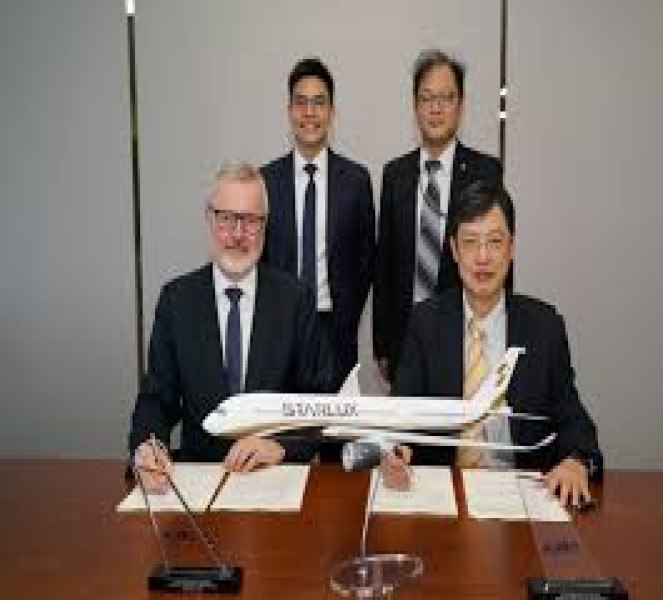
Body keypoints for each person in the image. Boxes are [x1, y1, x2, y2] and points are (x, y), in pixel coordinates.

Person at [384, 179, 603, 507]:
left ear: (511, 248)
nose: (483, 257)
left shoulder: (544, 326)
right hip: (445, 495)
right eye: (470, 243)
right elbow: (400, 417)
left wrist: (576, 460)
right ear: (454, 250)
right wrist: (395, 453)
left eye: (495, 242)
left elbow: (573, 419)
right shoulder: (425, 323)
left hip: (524, 495)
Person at [129, 162, 336, 492]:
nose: (238, 234)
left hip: (276, 481)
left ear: (265, 226)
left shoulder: (295, 300)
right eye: (226, 218)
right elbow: (156, 400)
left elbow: (322, 401)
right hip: (200, 481)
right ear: (208, 219)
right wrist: (148, 446)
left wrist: (281, 446)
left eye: (251, 220)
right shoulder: (177, 300)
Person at [373, 49, 502, 383]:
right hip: (405, 340)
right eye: (427, 98)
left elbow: (498, 260)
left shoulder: (485, 172)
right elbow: (384, 264)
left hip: (464, 338)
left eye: (446, 98)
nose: (436, 108)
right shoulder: (395, 174)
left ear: (461, 104)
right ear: (415, 105)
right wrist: (382, 344)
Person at [261, 57, 375, 388]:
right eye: (301, 103)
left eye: (319, 102)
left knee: (335, 417)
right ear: (289, 111)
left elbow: (367, 259)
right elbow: (260, 257)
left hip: (335, 331)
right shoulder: (266, 181)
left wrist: (347, 315)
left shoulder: (356, 180)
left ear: (332, 112)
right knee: (283, 416)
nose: (309, 113)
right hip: (280, 327)